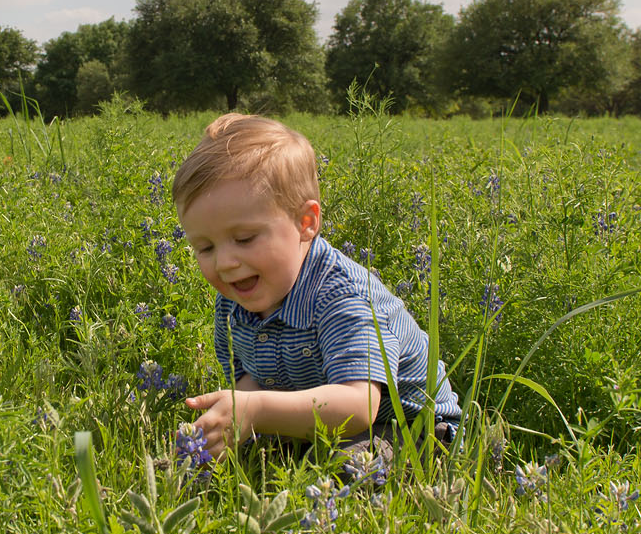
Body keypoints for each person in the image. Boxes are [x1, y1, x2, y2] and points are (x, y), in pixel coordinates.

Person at [174, 113, 463, 462]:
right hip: (323, 419)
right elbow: (253, 377)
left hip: (411, 426)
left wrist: (258, 409)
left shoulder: (343, 296)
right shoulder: (235, 299)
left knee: (343, 467)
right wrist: (236, 410)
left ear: (305, 223)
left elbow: (359, 405)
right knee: (228, 455)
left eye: (244, 238)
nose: (225, 263)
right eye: (205, 248)